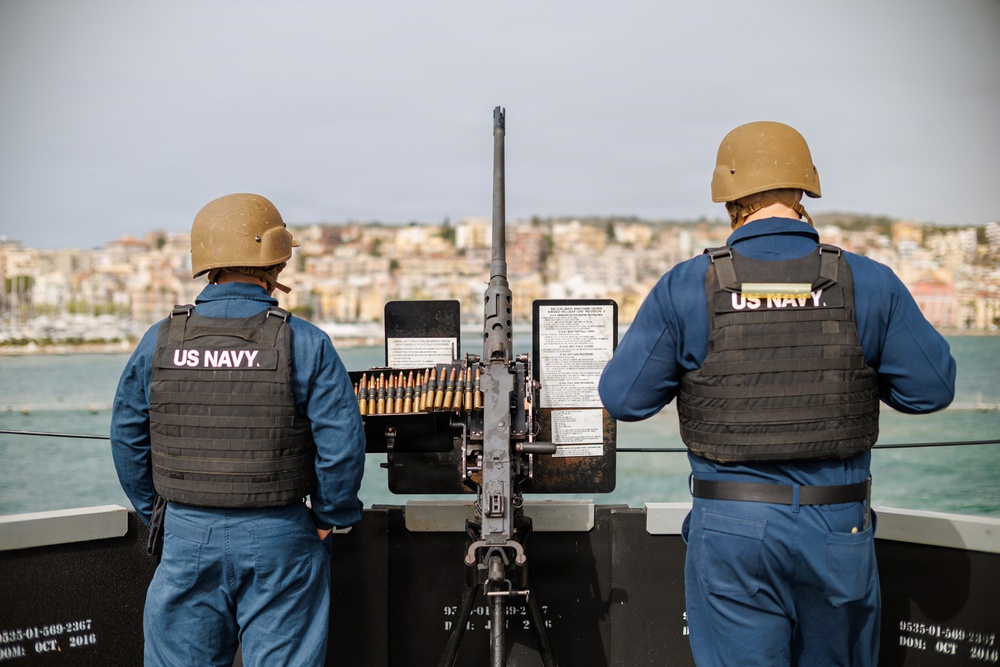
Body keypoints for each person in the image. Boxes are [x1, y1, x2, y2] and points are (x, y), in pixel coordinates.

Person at [598, 121, 956, 666]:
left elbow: (624, 398)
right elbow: (932, 389)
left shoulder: (688, 286)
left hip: (732, 533)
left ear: (729, 198)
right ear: (804, 189)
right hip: (838, 529)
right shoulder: (869, 282)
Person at [111, 192, 367, 666]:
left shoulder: (160, 339)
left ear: (206, 260)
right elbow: (342, 449)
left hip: (186, 535)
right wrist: (330, 518)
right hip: (281, 536)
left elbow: (127, 438)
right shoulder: (305, 341)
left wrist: (159, 516)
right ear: (276, 261)